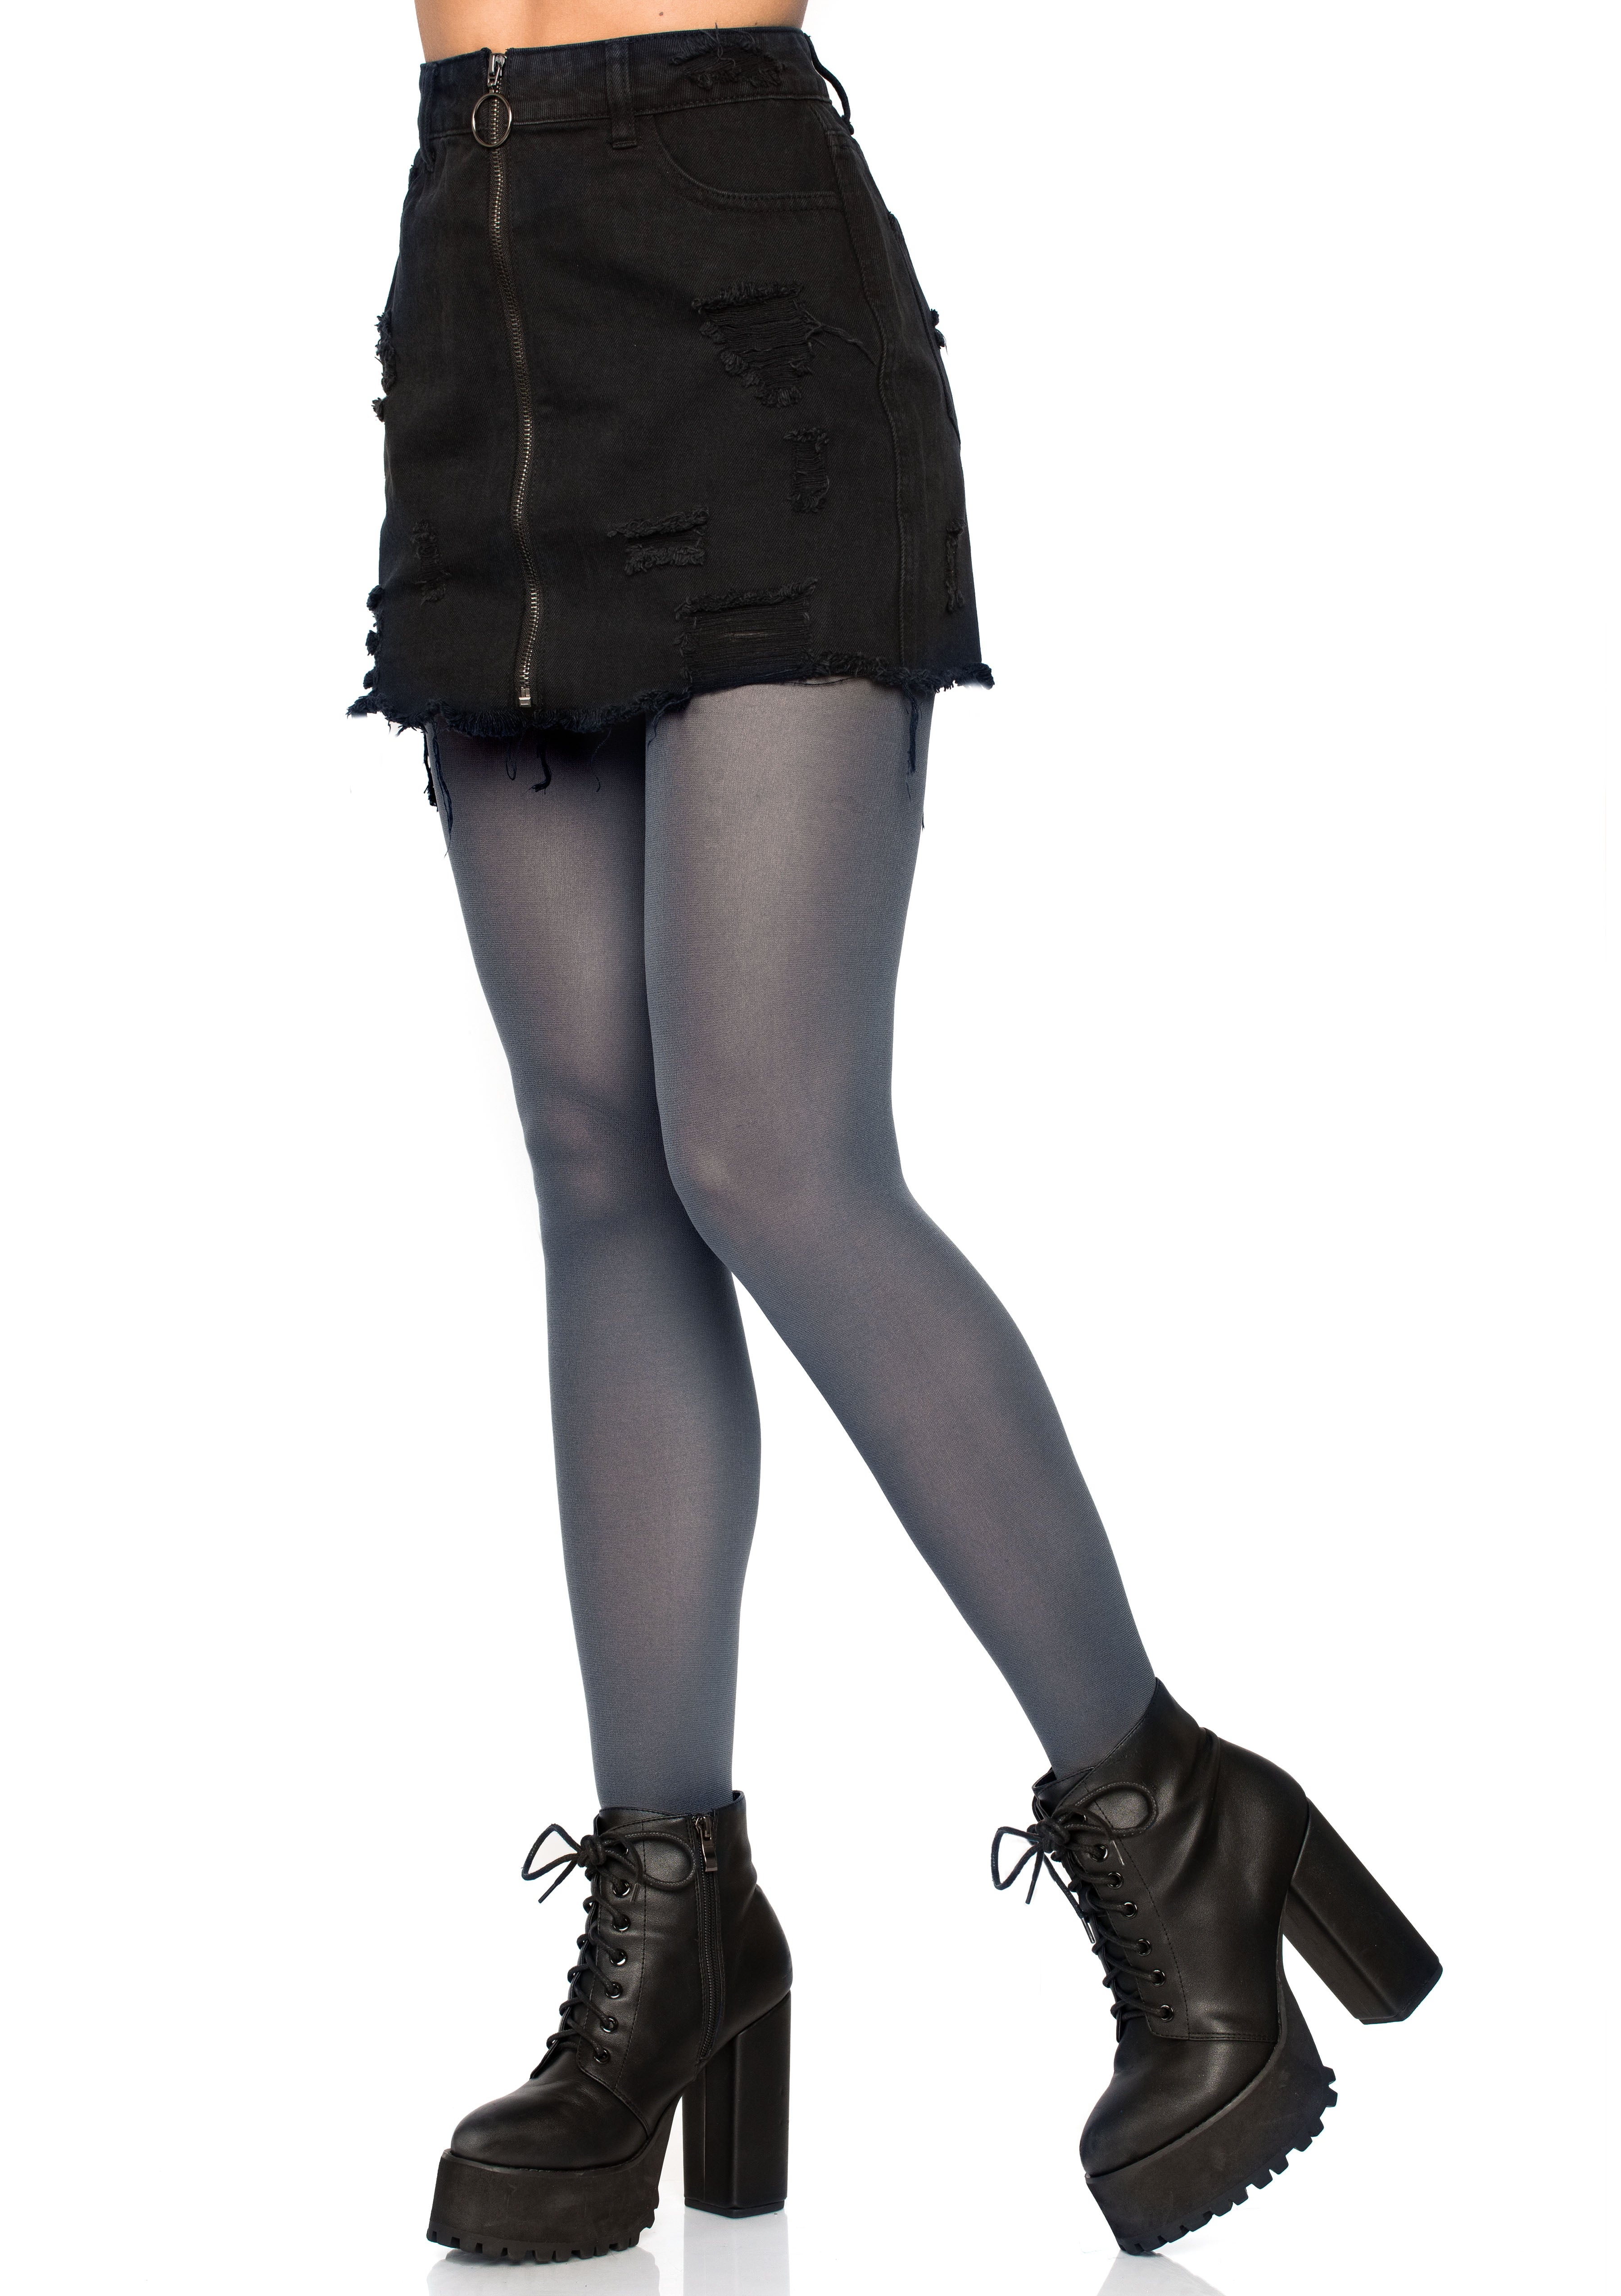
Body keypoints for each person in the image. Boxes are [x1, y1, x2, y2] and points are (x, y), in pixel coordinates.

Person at [354, 0, 1440, 2262]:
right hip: (480, 290)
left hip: (737, 261)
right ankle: (677, 1922)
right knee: (599, 1165)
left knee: (768, 1149)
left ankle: (1168, 1811)